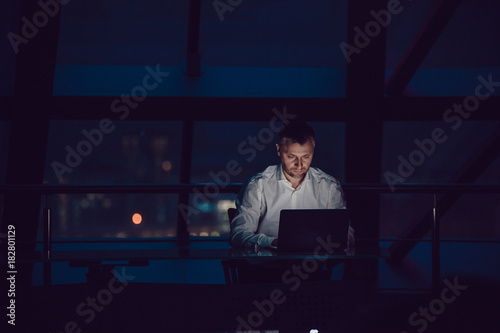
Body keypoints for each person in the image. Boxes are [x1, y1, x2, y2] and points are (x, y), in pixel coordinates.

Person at [229, 120, 354, 250]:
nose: (299, 165)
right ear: (278, 149)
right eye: (291, 157)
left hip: (312, 267)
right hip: (265, 266)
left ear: (313, 148)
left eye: (306, 156)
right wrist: (272, 242)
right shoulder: (257, 185)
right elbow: (238, 234)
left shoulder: (329, 187)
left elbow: (347, 234)